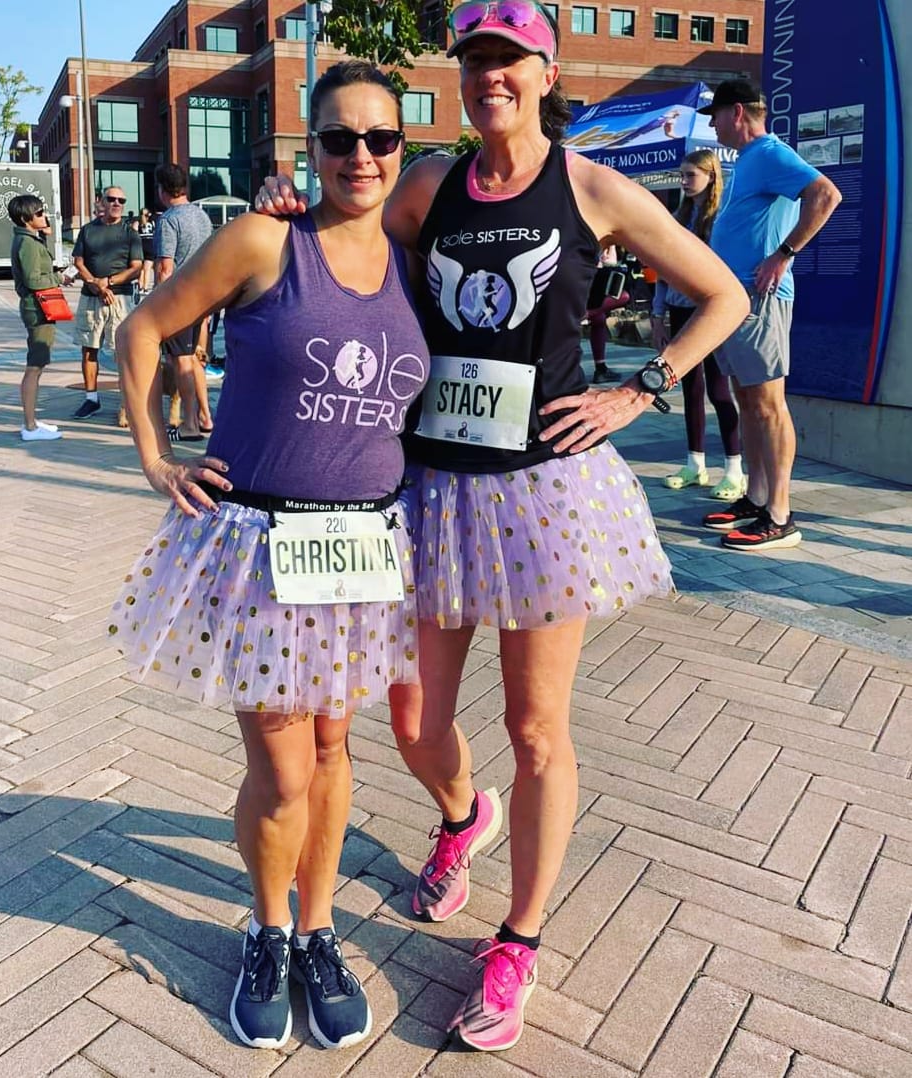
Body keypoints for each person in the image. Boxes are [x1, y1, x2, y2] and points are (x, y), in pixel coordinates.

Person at [257, 7, 747, 1052]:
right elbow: (342, 235)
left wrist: (641, 388)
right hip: (431, 488)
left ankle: (517, 938)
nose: (491, 77)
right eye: (475, 60)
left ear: (545, 73)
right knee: (413, 719)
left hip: (542, 493)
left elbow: (724, 295)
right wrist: (284, 208)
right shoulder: (428, 185)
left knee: (535, 730)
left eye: (509, 61)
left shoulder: (592, 189)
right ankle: (460, 817)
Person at [110, 60, 430, 1052]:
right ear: (311, 148)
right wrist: (156, 457)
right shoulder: (263, 241)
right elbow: (144, 329)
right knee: (285, 769)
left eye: (380, 138)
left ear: (401, 149)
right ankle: (267, 926)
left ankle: (318, 929)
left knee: (334, 749)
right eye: (340, 138)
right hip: (262, 542)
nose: (361, 156)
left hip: (366, 546)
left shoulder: (415, 261)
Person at [698, 79, 842, 551]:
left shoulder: (769, 152)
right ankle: (757, 498)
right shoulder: (750, 160)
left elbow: (826, 195)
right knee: (748, 401)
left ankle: (780, 515)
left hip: (760, 300)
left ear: (737, 112)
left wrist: (784, 254)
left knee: (767, 403)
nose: (713, 126)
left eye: (716, 116)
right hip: (738, 300)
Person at [653, 149, 743, 499]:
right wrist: (657, 315)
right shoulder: (678, 217)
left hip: (710, 312)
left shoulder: (720, 218)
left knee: (719, 391)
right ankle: (695, 464)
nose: (684, 182)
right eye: (682, 175)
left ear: (711, 176)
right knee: (690, 389)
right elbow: (663, 270)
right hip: (679, 310)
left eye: (691, 175)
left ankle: (734, 469)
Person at [152, 162, 215, 442]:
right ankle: (205, 417)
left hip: (178, 301)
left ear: (163, 190)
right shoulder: (202, 216)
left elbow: (165, 269)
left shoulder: (169, 220)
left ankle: (188, 424)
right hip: (203, 298)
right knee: (196, 361)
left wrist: (158, 304)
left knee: (182, 362)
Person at [69, 185, 142, 424]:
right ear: (102, 201)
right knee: (89, 349)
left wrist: (108, 282)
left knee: (123, 352)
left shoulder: (130, 234)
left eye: (122, 200)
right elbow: (78, 262)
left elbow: (136, 267)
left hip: (120, 299)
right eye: (112, 199)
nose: (117, 203)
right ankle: (91, 398)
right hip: (91, 298)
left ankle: (125, 404)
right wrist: (95, 284)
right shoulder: (88, 230)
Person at [8, 194, 64, 442]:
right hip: (38, 308)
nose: (44, 216)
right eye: (39, 213)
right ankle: (30, 426)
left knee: (37, 365)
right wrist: (59, 278)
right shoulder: (27, 243)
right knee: (35, 366)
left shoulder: (29, 239)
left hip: (37, 307)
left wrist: (44, 234)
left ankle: (32, 421)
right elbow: (33, 280)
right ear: (25, 218)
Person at [585, 244, 630, 383]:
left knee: (599, 319)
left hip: (591, 278)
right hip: (586, 276)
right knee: (623, 296)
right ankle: (583, 314)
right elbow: (609, 261)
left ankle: (601, 368)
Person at [134, 206, 156, 294]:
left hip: (140, 246)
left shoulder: (137, 223)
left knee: (141, 269)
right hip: (150, 246)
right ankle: (145, 288)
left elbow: (133, 234)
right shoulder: (152, 222)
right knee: (147, 269)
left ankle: (140, 287)